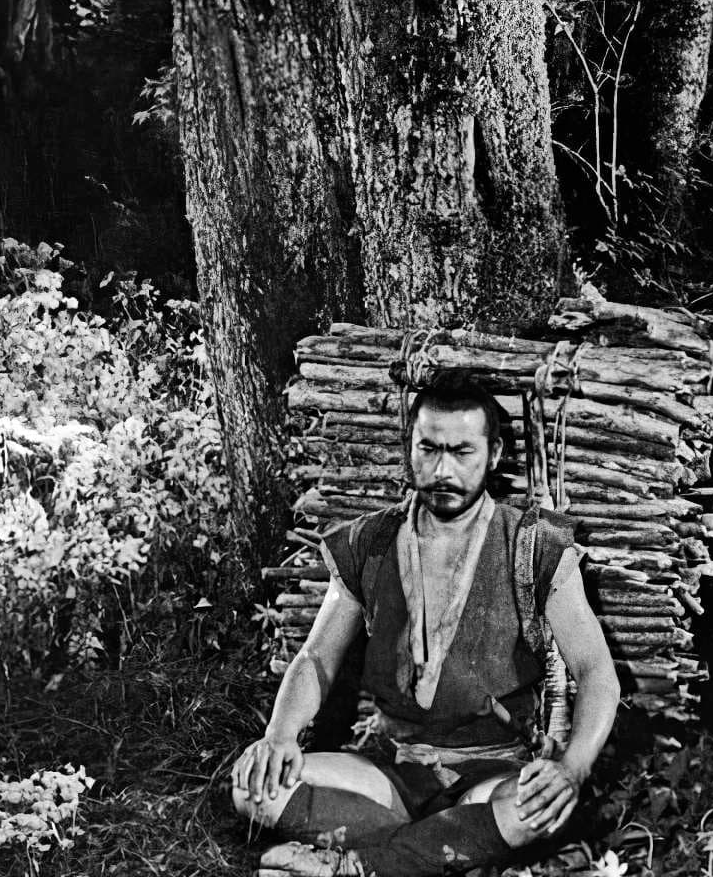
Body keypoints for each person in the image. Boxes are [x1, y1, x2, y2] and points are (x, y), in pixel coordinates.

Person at [232, 370, 620, 877]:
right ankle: (443, 851)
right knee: (254, 788)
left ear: (494, 455)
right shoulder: (369, 542)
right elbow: (316, 659)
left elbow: (596, 672)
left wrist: (571, 768)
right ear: (408, 447)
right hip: (389, 767)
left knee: (530, 809)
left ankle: (355, 867)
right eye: (429, 449)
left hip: (492, 773)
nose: (442, 469)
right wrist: (280, 734)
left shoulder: (533, 546)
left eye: (462, 452)